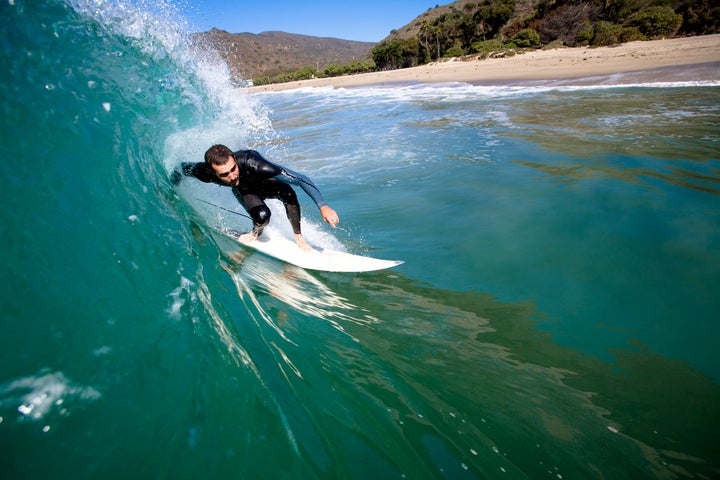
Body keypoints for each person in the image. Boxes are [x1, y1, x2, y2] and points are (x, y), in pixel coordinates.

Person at [172, 144, 339, 252]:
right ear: (212, 171)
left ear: (235, 160)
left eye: (233, 169)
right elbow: (181, 168)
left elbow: (301, 179)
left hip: (271, 185)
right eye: (224, 174)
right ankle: (255, 233)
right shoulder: (204, 173)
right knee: (262, 217)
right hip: (246, 191)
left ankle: (298, 236)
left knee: (288, 194)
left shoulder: (256, 164)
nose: (231, 176)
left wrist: (323, 206)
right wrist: (171, 186)